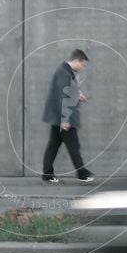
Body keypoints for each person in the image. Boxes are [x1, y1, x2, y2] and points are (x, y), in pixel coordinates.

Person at [41, 49, 95, 183]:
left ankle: (47, 174)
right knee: (73, 145)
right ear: (77, 61)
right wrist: (64, 120)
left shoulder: (66, 71)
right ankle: (82, 173)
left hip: (58, 118)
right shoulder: (64, 73)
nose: (83, 68)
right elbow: (62, 97)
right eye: (83, 65)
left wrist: (78, 95)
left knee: (53, 145)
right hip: (64, 118)